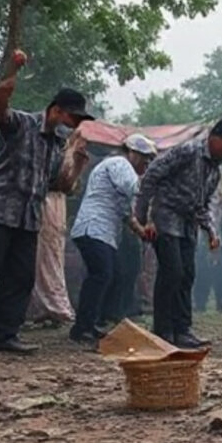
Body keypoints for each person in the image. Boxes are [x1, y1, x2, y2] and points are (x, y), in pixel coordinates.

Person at [0, 66, 94, 353]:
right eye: (73, 117)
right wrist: (9, 79)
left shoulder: (57, 144)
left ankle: (2, 335)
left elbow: (58, 184)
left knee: (20, 277)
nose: (75, 124)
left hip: (29, 219)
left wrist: (78, 165)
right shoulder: (22, 123)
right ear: (57, 110)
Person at [134, 118, 222, 348]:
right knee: (171, 271)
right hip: (165, 217)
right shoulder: (188, 151)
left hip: (188, 224)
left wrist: (212, 231)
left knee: (187, 274)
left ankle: (182, 329)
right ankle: (163, 330)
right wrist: (143, 216)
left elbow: (201, 204)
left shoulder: (216, 169)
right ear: (216, 138)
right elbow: (153, 174)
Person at [68, 134, 157, 345]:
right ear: (133, 153)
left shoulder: (117, 169)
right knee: (101, 275)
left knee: (112, 274)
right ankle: (82, 328)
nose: (146, 164)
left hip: (101, 232)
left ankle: (93, 322)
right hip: (94, 227)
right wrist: (156, 197)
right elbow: (137, 189)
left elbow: (127, 215)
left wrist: (142, 231)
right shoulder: (119, 163)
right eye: (144, 159)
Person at [26, 124, 92, 326]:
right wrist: (77, 162)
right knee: (44, 256)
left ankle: (49, 307)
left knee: (52, 255)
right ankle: (49, 307)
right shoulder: (56, 152)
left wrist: (79, 163)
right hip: (46, 204)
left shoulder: (71, 154)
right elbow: (61, 181)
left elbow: (70, 187)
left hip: (57, 204)